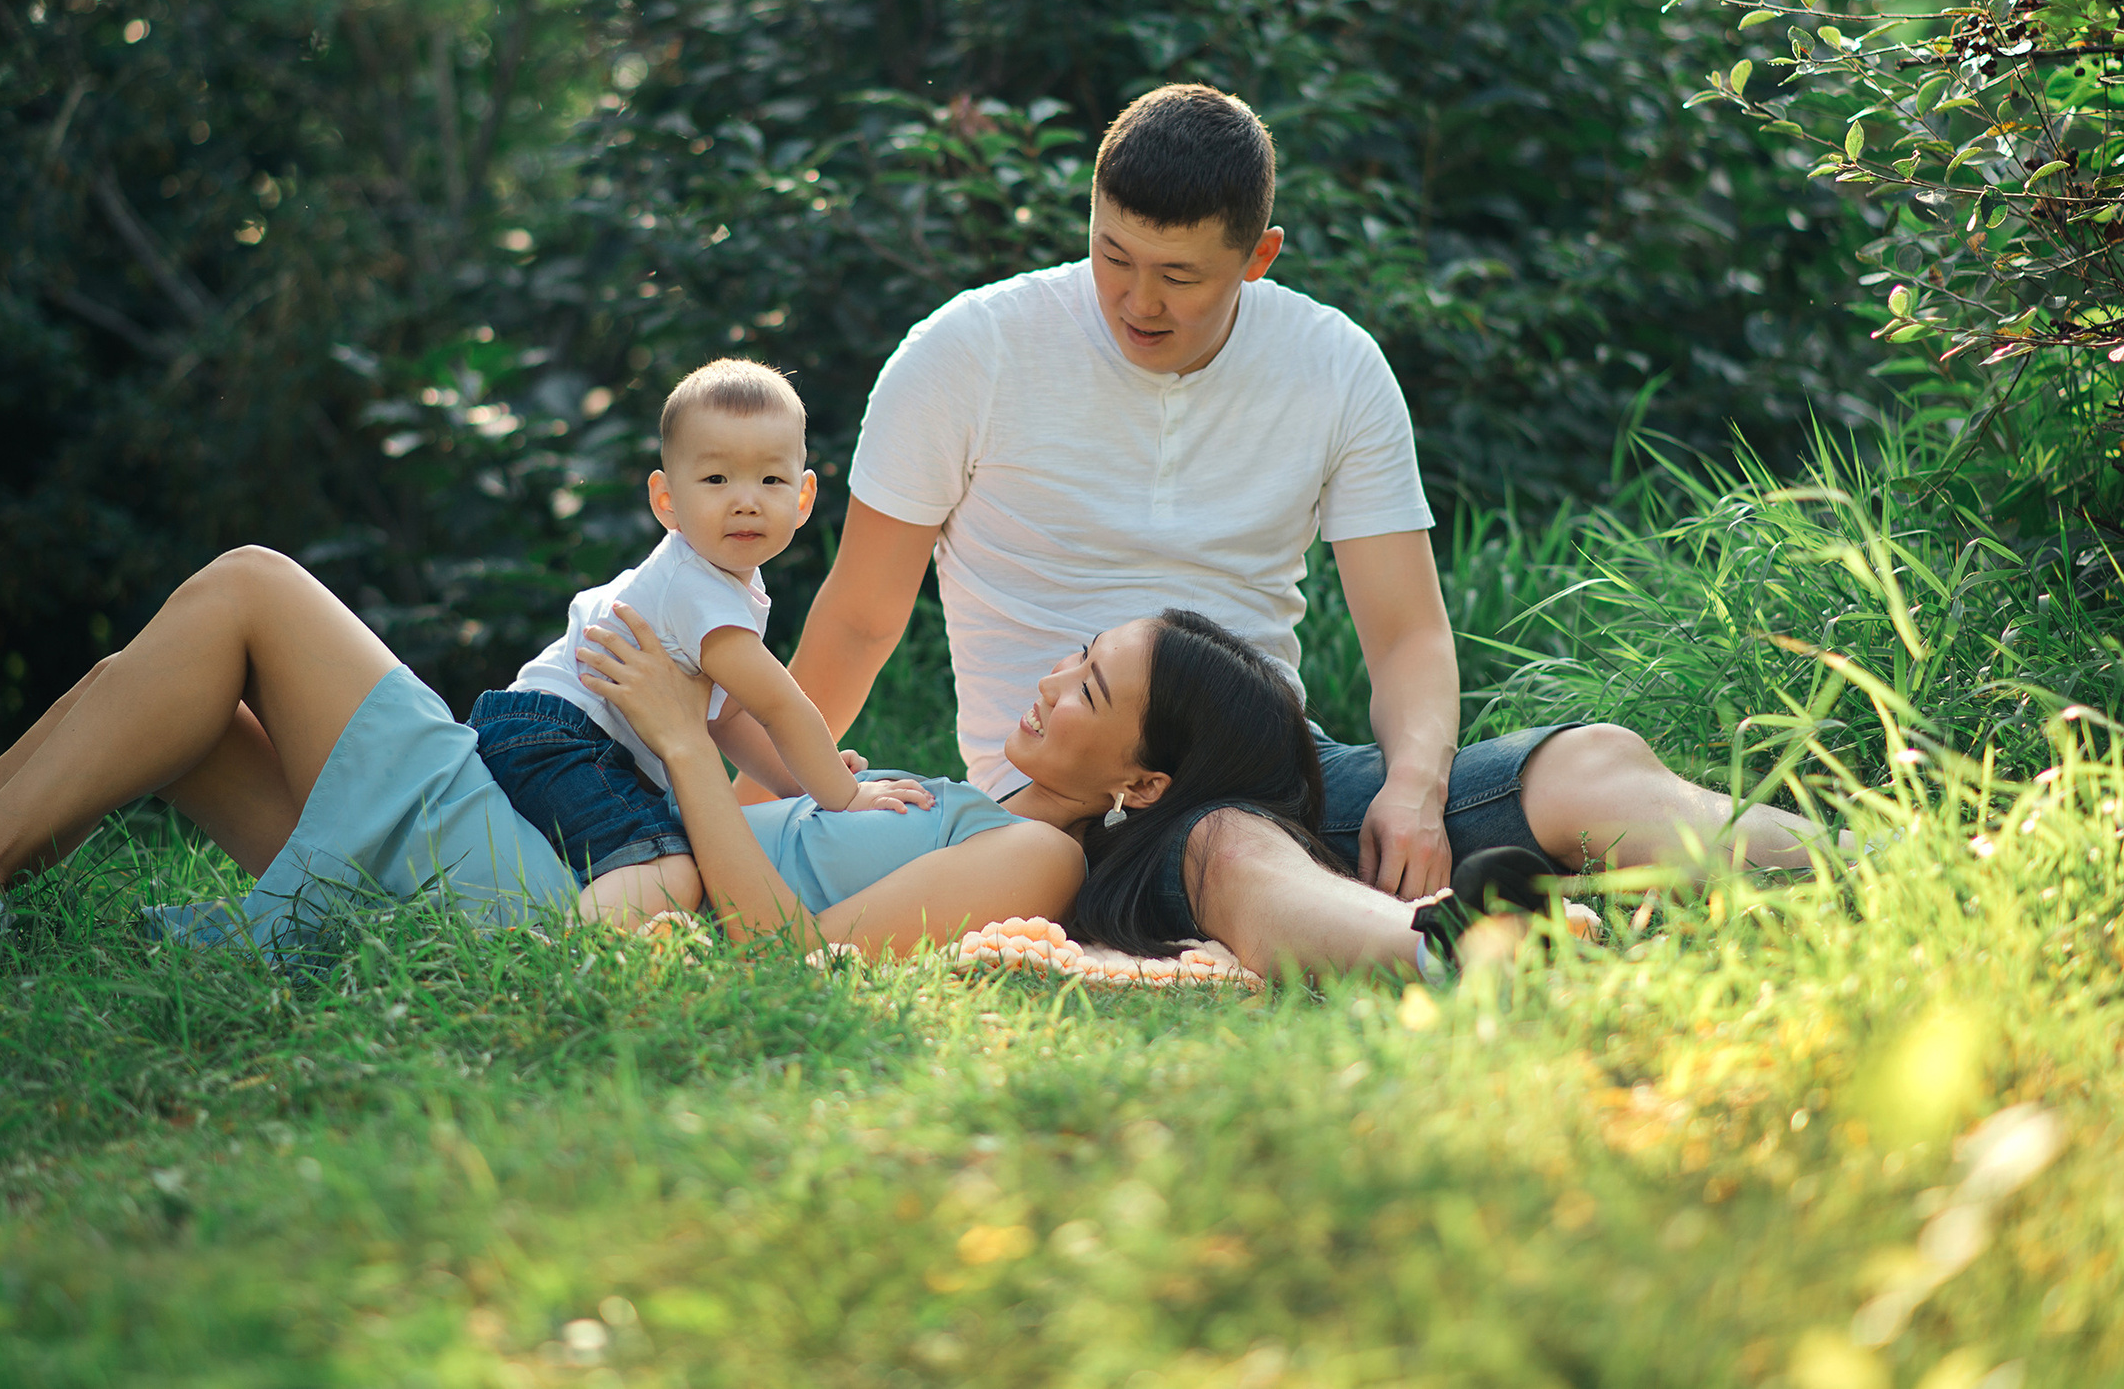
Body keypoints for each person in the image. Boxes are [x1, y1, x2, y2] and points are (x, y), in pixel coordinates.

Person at [776, 82, 1851, 984]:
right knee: (1226, 847)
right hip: (1085, 801)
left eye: (1179, 275)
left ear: (1259, 255)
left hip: (1278, 757)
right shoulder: (965, 353)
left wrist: (1414, 791)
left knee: (1589, 765)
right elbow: (863, 617)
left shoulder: (1332, 364)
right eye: (1113, 257)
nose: (1135, 301)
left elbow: (1406, 636)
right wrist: (737, 811)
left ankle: (1908, 864)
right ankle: (1464, 959)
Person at [0, 545, 1327, 967]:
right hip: (565, 854)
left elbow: (783, 946)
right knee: (192, 712)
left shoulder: (1043, 858)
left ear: (1138, 783)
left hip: (555, 887)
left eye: (1090, 690)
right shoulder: (982, 806)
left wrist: (675, 743)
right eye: (1072, 658)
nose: (1051, 685)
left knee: (251, 593)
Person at [466, 358, 931, 928]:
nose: (746, 500)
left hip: (547, 732)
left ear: (804, 498)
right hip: (563, 738)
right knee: (667, 868)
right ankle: (556, 960)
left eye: (771, 480)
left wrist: (800, 782)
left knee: (630, 849)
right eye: (716, 479)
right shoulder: (698, 589)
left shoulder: (716, 582)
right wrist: (844, 796)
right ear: (666, 501)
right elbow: (778, 705)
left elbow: (728, 716)